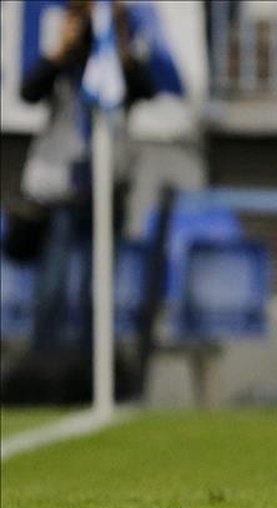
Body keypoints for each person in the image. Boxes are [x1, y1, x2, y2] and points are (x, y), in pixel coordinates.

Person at [16, 0, 162, 352]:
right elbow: (29, 91)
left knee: (96, 288)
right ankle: (44, 365)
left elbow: (147, 88)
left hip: (108, 188)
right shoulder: (64, 62)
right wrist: (61, 48)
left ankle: (89, 370)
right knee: (52, 283)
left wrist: (119, 43)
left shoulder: (116, 64)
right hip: (63, 191)